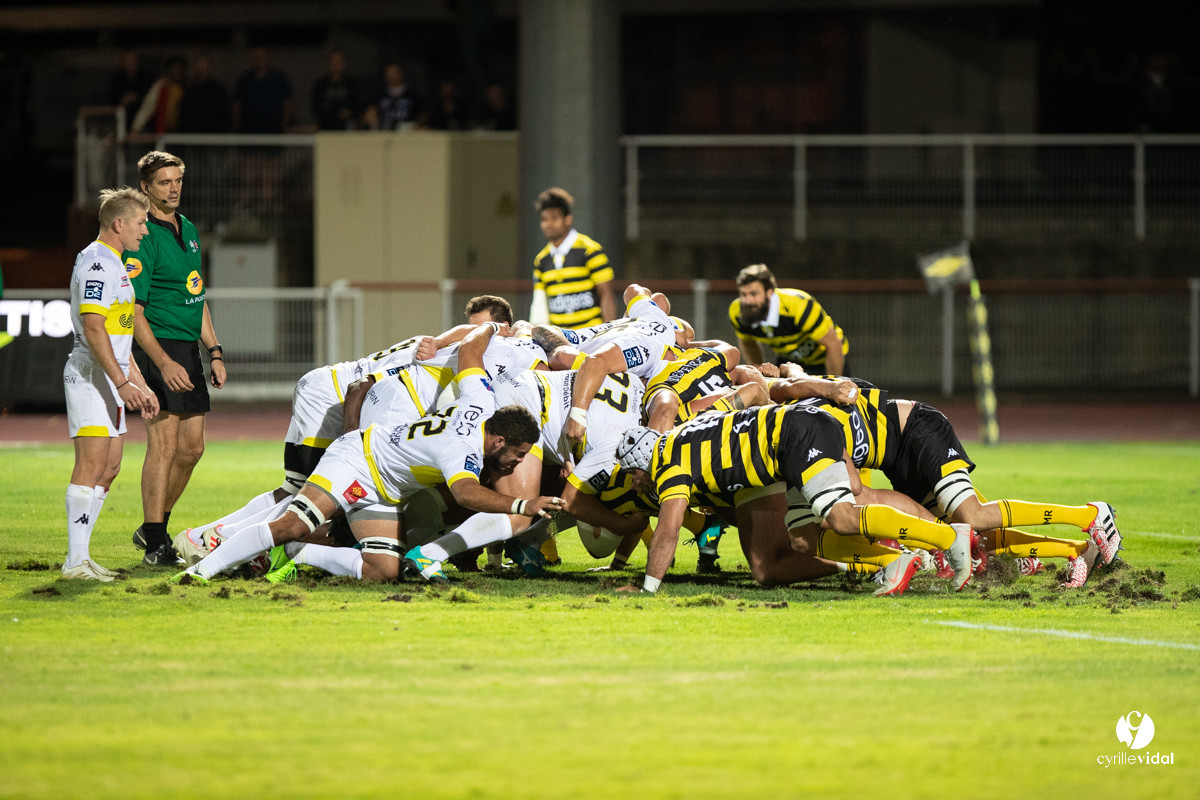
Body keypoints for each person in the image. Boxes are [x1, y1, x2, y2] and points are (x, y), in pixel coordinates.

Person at [172, 322, 564, 585]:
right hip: (358, 460)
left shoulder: (480, 397)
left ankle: (301, 552)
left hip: (385, 487)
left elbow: (472, 349)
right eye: (518, 455)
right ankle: (199, 572)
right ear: (497, 442)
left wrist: (493, 326)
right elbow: (464, 494)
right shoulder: (462, 448)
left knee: (382, 571)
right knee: (292, 517)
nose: (518, 463)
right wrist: (521, 507)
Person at [614, 403, 974, 595]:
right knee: (802, 535)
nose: (634, 483)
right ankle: (892, 562)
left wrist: (648, 587)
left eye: (632, 475)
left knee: (843, 517)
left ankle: (947, 538)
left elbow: (669, 529)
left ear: (641, 464)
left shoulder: (666, 464)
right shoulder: (679, 435)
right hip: (795, 432)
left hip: (796, 438)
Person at [124, 151, 226, 566]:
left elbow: (196, 294)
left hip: (187, 348)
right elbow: (135, 311)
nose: (173, 188)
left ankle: (155, 527)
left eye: (178, 180)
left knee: (192, 448)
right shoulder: (143, 236)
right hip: (157, 346)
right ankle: (155, 543)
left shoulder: (189, 228)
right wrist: (163, 362)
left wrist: (214, 351)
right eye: (164, 182)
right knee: (163, 445)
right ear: (146, 188)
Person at [62, 187, 159, 581]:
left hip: (110, 378)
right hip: (90, 377)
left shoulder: (116, 263)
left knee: (111, 466)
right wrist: (121, 383)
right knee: (92, 464)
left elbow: (118, 338)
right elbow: (93, 327)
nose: (145, 232)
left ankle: (82, 556)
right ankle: (75, 561)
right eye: (140, 223)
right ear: (118, 224)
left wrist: (140, 384)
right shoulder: (98, 264)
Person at [729, 263, 849, 376]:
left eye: (754, 294)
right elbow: (747, 342)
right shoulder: (738, 312)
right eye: (743, 294)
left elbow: (833, 345)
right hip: (790, 362)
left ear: (769, 292)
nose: (747, 301)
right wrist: (760, 372)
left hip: (824, 359)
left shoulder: (799, 306)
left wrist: (834, 384)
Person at [531, 187, 615, 329]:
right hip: (559, 341)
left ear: (568, 219)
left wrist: (609, 332)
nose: (548, 224)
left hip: (591, 336)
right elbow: (540, 305)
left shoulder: (590, 250)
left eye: (554, 218)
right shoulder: (541, 260)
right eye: (544, 219)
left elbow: (606, 294)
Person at [232, 46, 294, 133]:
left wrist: (284, 124)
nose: (259, 59)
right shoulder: (244, 79)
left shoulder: (279, 79)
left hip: (273, 129)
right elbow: (237, 104)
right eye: (256, 56)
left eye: (262, 56)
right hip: (249, 129)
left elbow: (288, 104)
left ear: (268, 58)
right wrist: (236, 124)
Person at [129, 56, 186, 136]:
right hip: (162, 133)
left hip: (182, 134)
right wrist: (136, 128)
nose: (176, 72)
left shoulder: (188, 88)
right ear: (168, 71)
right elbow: (147, 108)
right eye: (173, 69)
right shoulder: (160, 87)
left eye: (178, 69)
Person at [178, 53, 230, 134]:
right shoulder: (190, 90)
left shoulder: (219, 90)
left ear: (210, 67)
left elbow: (224, 115)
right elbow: (185, 115)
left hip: (214, 137)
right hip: (191, 136)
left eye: (204, 65)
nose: (201, 68)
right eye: (198, 65)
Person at [311, 48, 361, 131]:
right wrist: (332, 113)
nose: (336, 64)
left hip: (347, 130)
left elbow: (358, 105)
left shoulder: (352, 84)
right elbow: (316, 108)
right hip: (326, 129)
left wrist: (349, 112)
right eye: (333, 61)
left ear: (344, 63)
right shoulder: (320, 84)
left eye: (339, 61)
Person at [371, 63, 427, 130]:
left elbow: (423, 114)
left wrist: (419, 123)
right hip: (385, 130)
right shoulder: (379, 96)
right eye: (388, 74)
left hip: (408, 130)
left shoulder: (413, 95)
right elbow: (371, 113)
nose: (391, 76)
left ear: (401, 74)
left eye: (394, 73)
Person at [109, 50, 154, 127]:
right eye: (126, 60)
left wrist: (136, 97)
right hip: (121, 122)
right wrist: (122, 102)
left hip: (144, 122)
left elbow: (151, 99)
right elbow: (112, 100)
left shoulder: (147, 77)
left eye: (132, 60)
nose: (130, 63)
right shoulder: (117, 78)